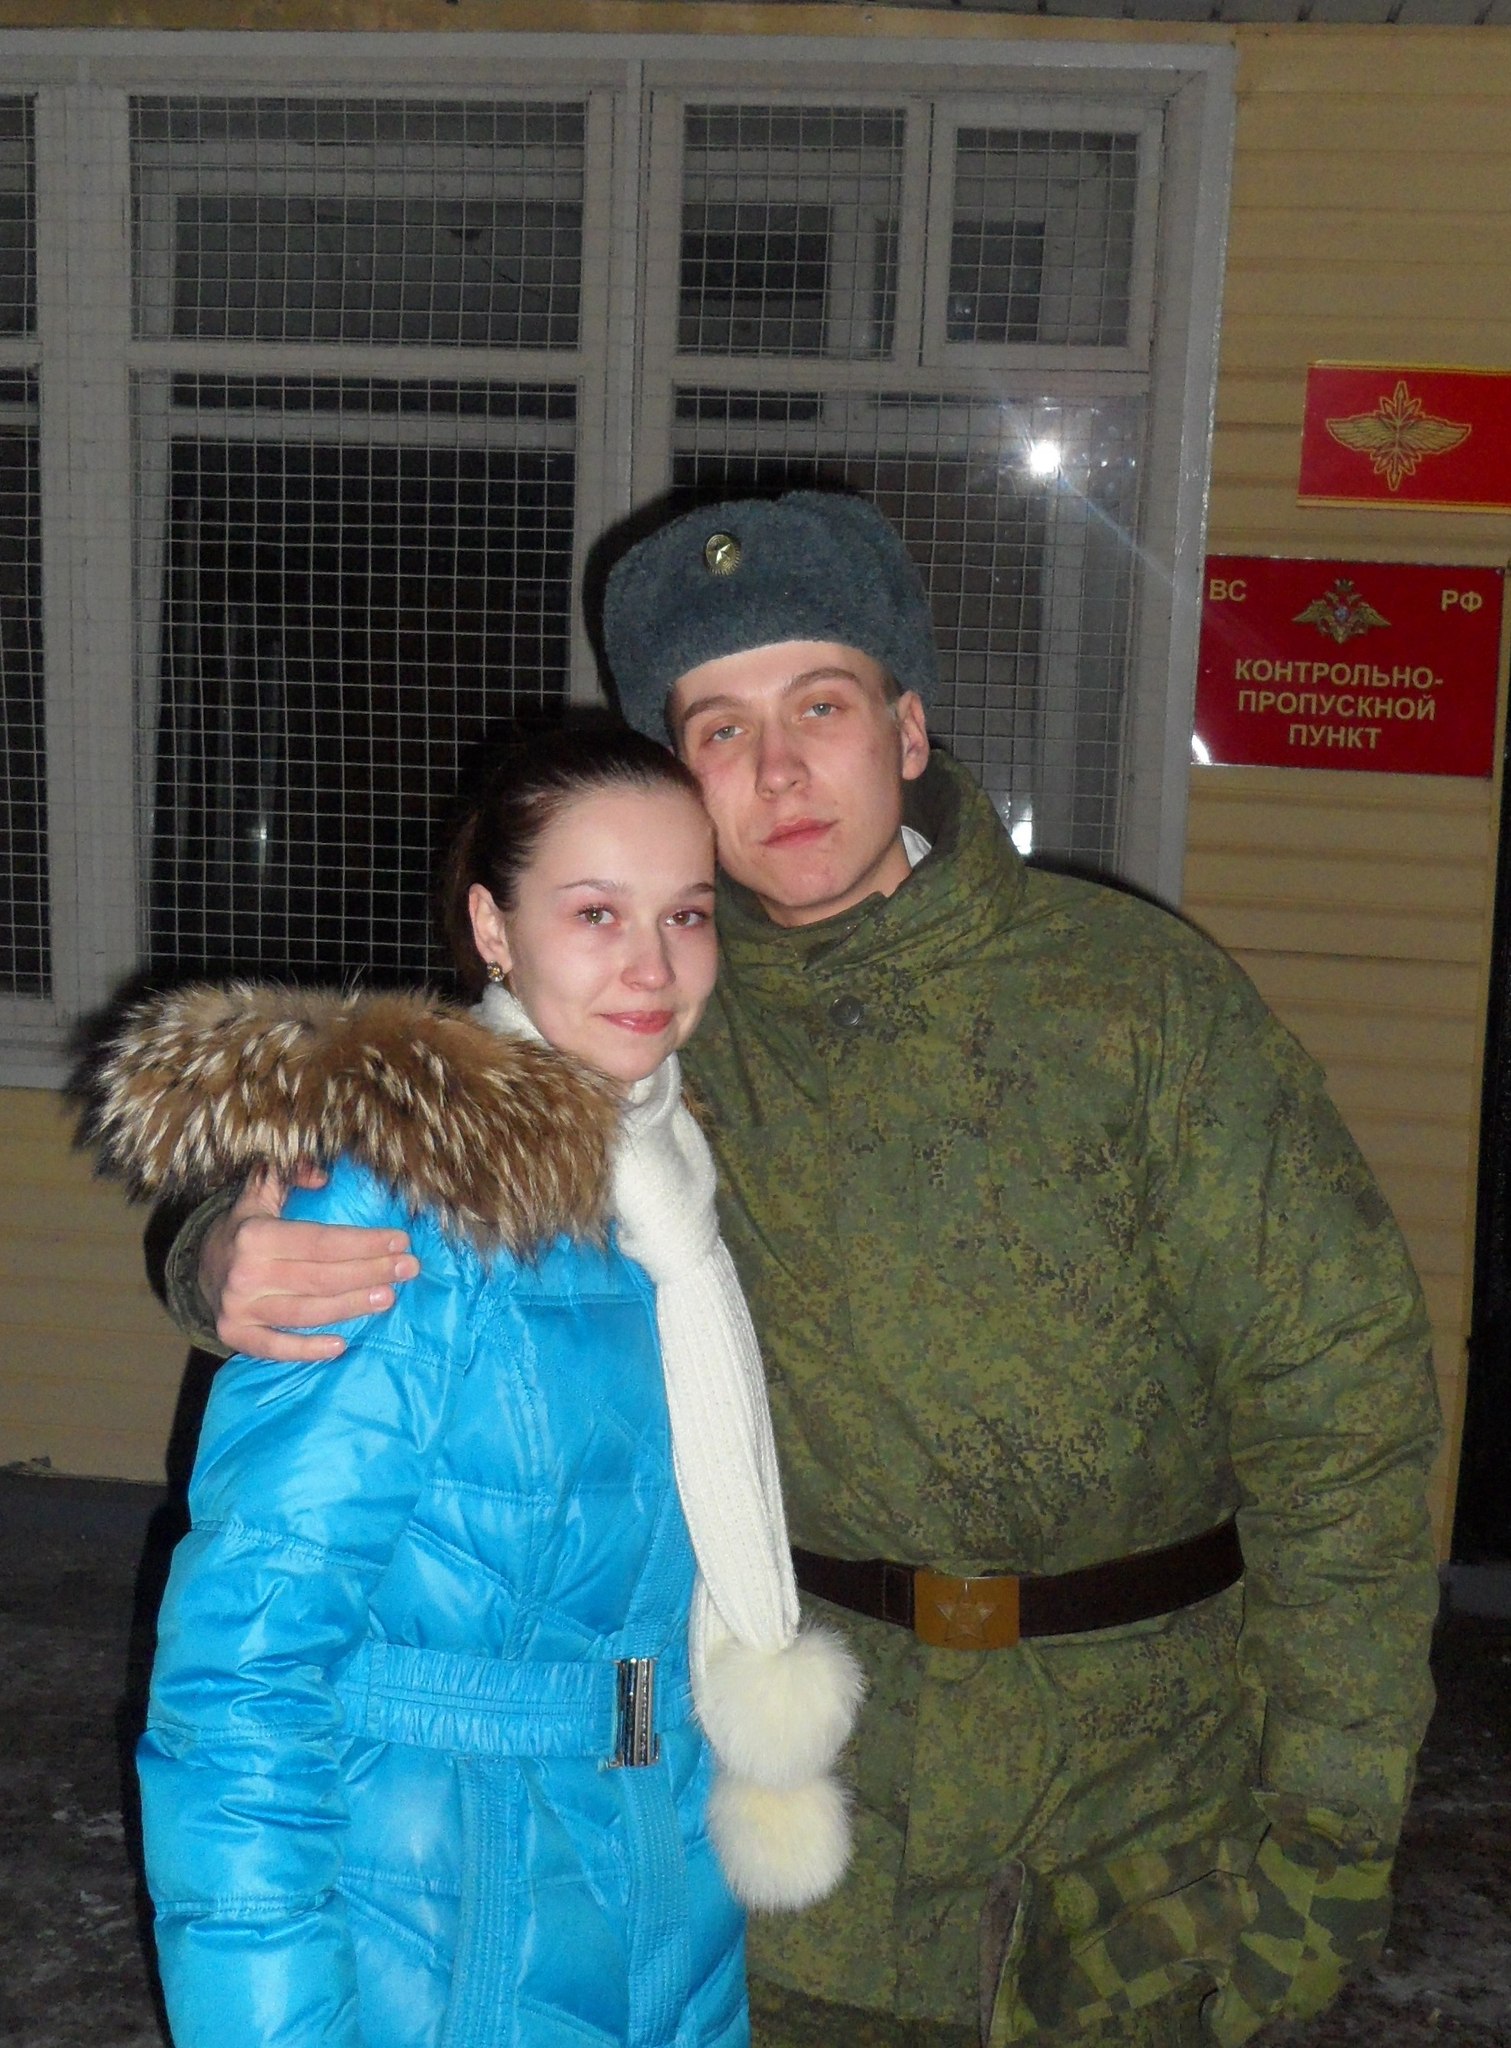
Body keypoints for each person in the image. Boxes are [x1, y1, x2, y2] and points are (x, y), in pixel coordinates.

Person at [154, 495, 1441, 2048]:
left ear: (908, 728)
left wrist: (1330, 1823)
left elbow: (1344, 1417)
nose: (776, 771)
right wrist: (211, 1251)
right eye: (721, 728)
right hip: (803, 1849)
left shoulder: (1136, 1005)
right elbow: (411, 1121)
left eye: (820, 707)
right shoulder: (658, 1020)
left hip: (1138, 1822)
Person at [88, 724, 862, 2048]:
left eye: (686, 914)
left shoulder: (666, 1186)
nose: (653, 965)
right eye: (596, 913)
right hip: (441, 1917)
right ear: (494, 928)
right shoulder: (407, 1203)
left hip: (660, 1867)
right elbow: (244, 1673)